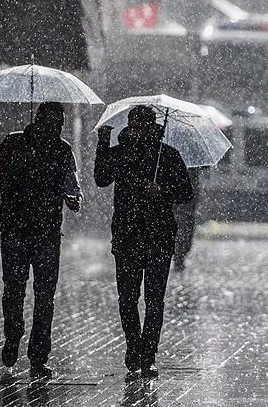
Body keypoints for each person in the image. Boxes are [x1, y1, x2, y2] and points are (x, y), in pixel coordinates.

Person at [94, 105, 194, 379]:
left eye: (143, 127)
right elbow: (102, 178)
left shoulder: (168, 156)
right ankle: (133, 346)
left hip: (159, 236)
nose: (137, 132)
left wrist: (161, 190)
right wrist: (103, 144)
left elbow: (186, 192)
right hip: (127, 235)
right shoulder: (121, 152)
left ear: (153, 128)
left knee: (154, 300)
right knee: (127, 298)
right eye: (134, 126)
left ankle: (148, 354)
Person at [0, 102, 82, 377]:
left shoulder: (62, 150)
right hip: (16, 231)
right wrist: (18, 165)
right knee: (14, 291)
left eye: (59, 124)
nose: (55, 129)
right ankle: (13, 335)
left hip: (48, 233)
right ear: (38, 120)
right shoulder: (13, 144)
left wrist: (73, 199)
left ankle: (39, 356)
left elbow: (71, 185)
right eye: (51, 122)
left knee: (45, 297)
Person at [173, 167, 203, 271]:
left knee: (186, 230)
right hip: (181, 204)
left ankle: (180, 254)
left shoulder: (194, 169)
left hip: (188, 205)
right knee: (183, 230)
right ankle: (179, 255)